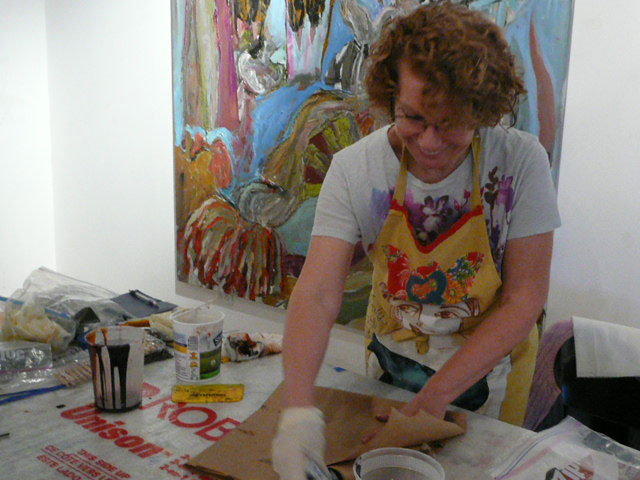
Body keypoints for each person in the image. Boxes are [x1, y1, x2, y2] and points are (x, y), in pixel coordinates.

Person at [271, 2, 561, 479]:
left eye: (450, 124)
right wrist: (298, 410)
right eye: (413, 118)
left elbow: (524, 299)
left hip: (490, 375)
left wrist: (432, 400)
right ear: (391, 97)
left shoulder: (519, 162)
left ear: (483, 112)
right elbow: (318, 293)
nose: (428, 142)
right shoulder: (355, 169)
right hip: (391, 368)